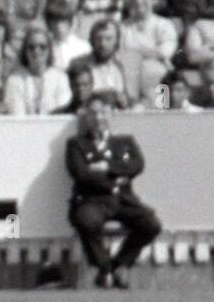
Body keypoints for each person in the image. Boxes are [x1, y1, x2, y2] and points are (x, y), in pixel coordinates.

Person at [66, 92, 162, 289]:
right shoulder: (76, 144)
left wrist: (107, 167)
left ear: (110, 114)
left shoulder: (124, 142)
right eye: (93, 113)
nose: (98, 118)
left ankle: (121, 264)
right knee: (85, 220)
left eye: (103, 113)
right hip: (93, 199)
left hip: (124, 199)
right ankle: (104, 267)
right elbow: (81, 173)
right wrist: (116, 179)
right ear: (87, 116)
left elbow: (138, 165)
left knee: (151, 224)